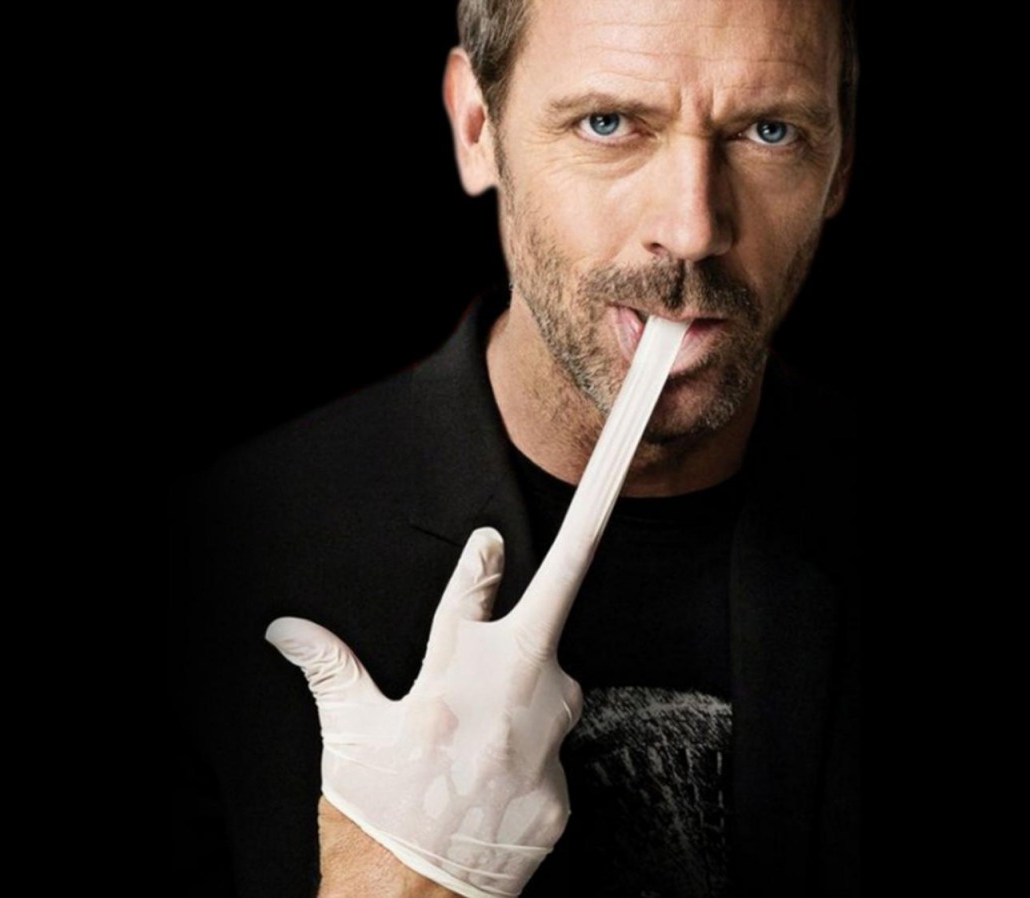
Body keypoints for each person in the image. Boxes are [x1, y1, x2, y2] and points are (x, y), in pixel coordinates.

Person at [175, 0, 860, 895]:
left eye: (770, 131)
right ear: (477, 129)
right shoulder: (224, 555)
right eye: (608, 123)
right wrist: (391, 878)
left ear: (840, 157)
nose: (694, 227)